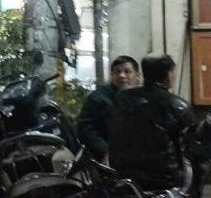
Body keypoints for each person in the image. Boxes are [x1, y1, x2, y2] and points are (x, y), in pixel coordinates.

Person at [108, 54, 196, 190]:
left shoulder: (122, 98)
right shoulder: (179, 106)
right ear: (168, 74)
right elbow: (193, 142)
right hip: (165, 181)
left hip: (124, 177)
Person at [78, 54, 139, 158]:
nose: (122, 75)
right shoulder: (97, 98)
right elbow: (85, 129)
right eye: (117, 72)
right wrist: (106, 150)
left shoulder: (144, 98)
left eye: (127, 71)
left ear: (137, 75)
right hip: (106, 156)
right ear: (112, 75)